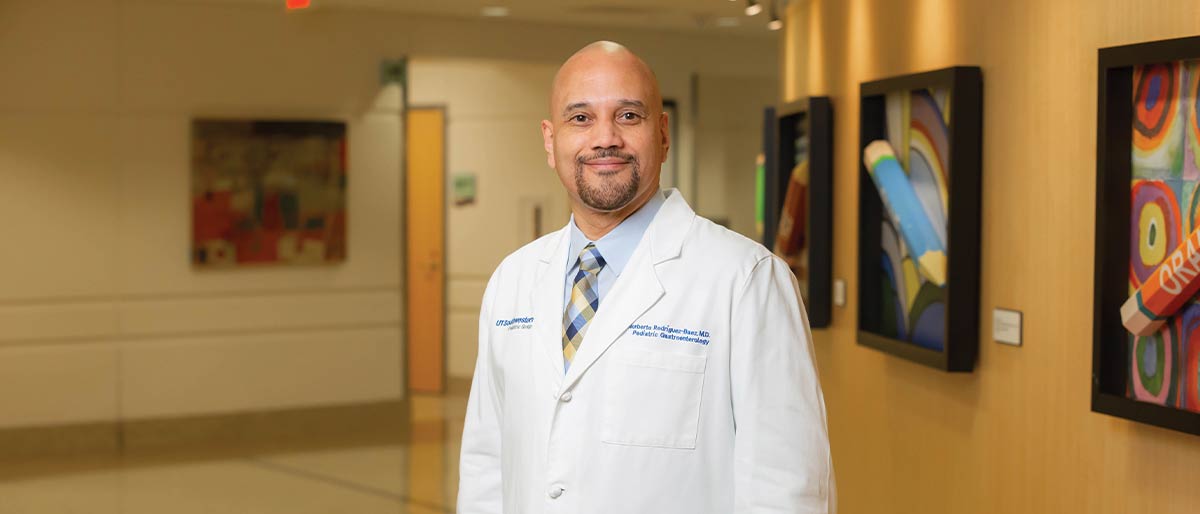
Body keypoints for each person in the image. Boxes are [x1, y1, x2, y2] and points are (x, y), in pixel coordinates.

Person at [457, 40, 834, 514]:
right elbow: (486, 466)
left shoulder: (747, 281)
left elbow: (787, 487)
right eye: (581, 118)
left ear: (663, 133)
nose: (605, 138)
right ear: (550, 141)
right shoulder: (512, 281)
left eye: (628, 116)